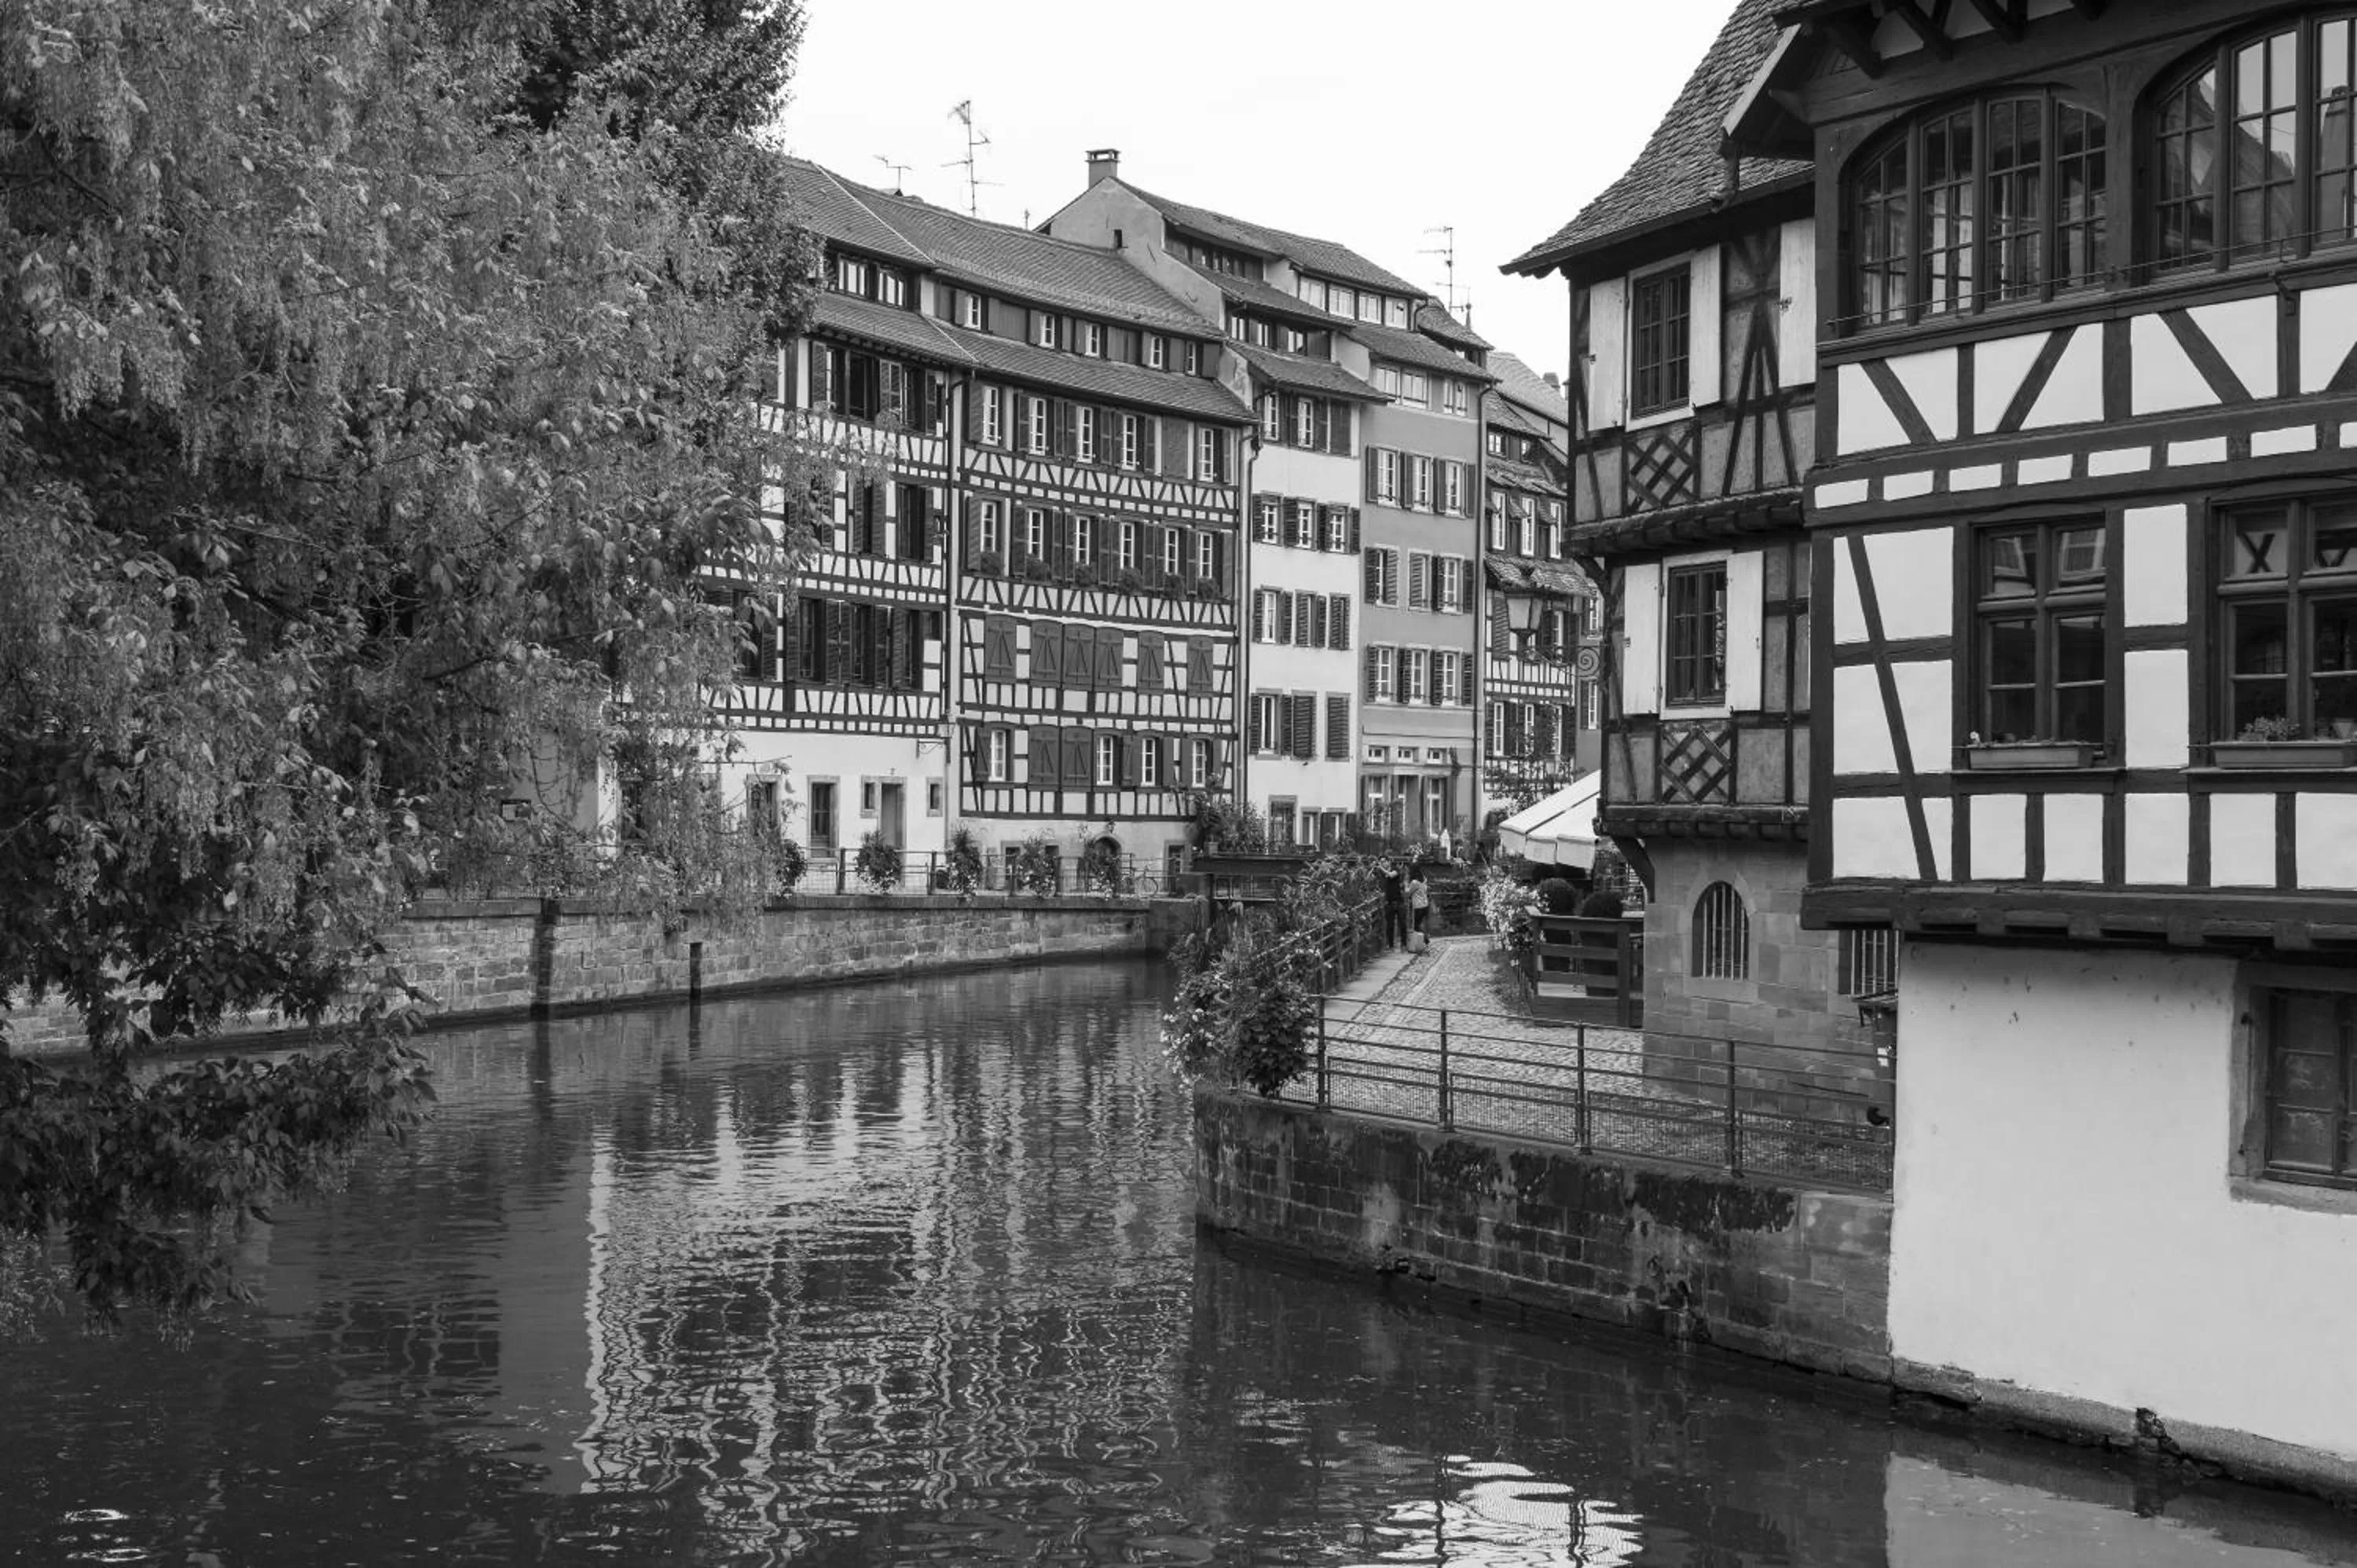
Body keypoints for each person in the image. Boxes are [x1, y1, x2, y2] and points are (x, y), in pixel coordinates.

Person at [1377, 856, 1407, 950]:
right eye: (1381, 862)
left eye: (1384, 862)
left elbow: (1391, 875)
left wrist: (1380, 868)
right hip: (1389, 902)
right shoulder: (1382, 873)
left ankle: (1404, 944)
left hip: (1399, 901)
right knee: (1390, 925)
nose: (1383, 864)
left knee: (1402, 923)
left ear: (1389, 862)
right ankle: (1390, 945)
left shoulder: (1395, 869)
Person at [1406, 868, 1431, 946]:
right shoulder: (1424, 881)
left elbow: (1408, 893)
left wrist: (1405, 884)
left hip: (1418, 906)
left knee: (1416, 925)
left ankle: (1425, 939)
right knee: (1420, 923)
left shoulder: (1414, 882)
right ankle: (1424, 938)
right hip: (1425, 904)